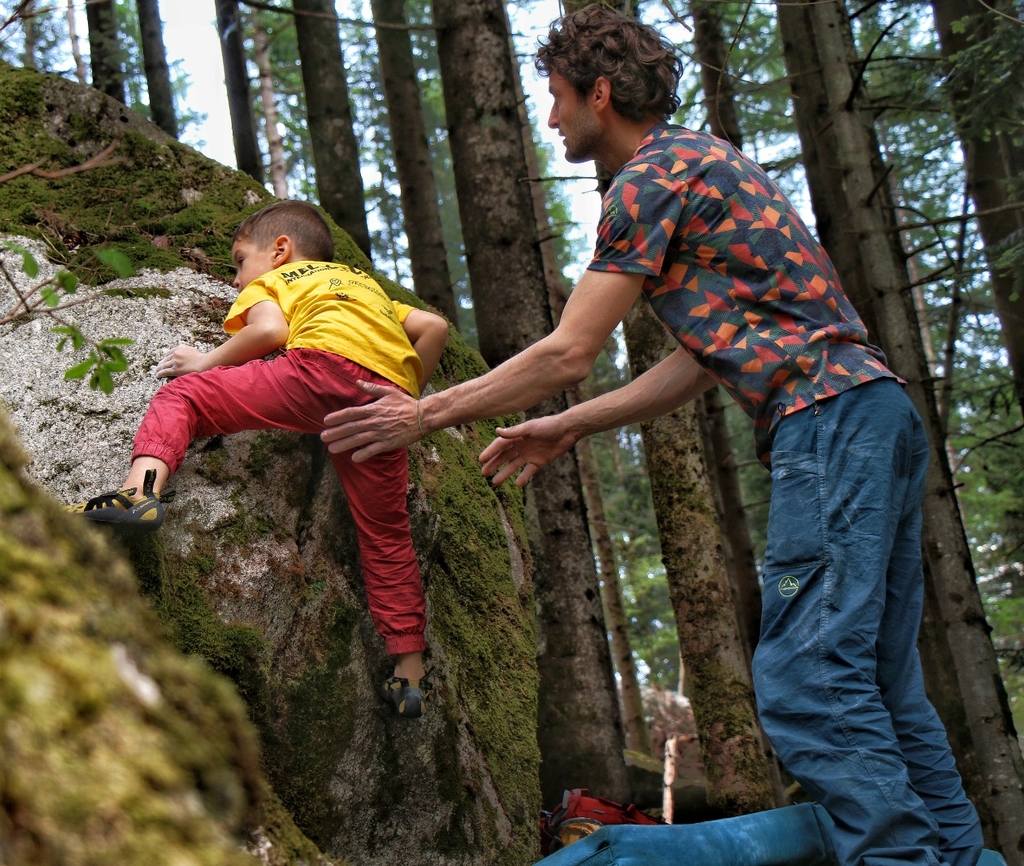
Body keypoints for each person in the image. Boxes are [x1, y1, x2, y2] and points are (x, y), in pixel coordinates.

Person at [320, 6, 987, 864]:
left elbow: (568, 348)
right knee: (882, 687)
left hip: (827, 424)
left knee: (810, 681)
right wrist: (569, 424)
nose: (551, 117)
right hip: (873, 412)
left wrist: (423, 413)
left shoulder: (647, 180)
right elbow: (700, 361)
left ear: (600, 93)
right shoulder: (707, 163)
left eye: (557, 98)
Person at [74, 199, 449, 718]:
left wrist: (202, 361)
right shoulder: (366, 289)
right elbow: (434, 328)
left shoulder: (278, 280)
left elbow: (269, 332)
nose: (235, 280)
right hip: (383, 403)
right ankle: (409, 676)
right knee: (386, 535)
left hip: (316, 372)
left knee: (183, 397)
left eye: (238, 260)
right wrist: (405, 400)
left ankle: (139, 494)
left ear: (279, 251)